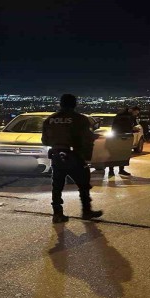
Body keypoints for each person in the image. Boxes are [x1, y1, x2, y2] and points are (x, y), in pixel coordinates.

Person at [41, 94, 103, 224]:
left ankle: (57, 214)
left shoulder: (50, 119)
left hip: (57, 156)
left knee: (57, 186)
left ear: (60, 104)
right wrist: (93, 141)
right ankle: (86, 211)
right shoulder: (80, 119)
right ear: (75, 104)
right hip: (74, 156)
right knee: (83, 184)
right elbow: (86, 138)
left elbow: (45, 141)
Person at [108, 106, 141, 176]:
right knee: (114, 153)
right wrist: (132, 128)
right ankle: (111, 170)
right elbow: (123, 126)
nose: (136, 114)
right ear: (131, 110)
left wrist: (134, 129)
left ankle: (121, 169)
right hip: (118, 136)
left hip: (126, 136)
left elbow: (133, 124)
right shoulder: (122, 115)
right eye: (135, 113)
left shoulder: (131, 116)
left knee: (123, 153)